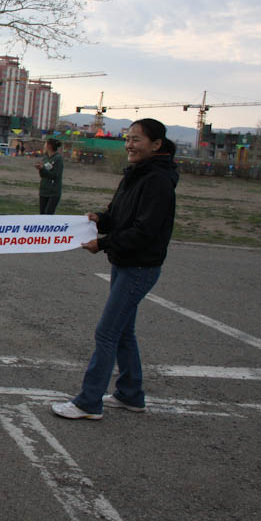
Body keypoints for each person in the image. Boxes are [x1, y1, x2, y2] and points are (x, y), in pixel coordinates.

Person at [52, 118, 178, 420]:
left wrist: (103, 243)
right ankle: (130, 394)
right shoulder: (136, 174)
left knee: (107, 332)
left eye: (136, 140)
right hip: (124, 262)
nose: (129, 145)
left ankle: (88, 403)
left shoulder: (158, 181)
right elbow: (120, 215)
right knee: (122, 332)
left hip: (139, 266)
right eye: (128, 139)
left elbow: (144, 231)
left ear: (156, 145)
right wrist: (100, 219)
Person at [35, 137, 63, 214]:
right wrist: (40, 169)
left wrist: (42, 169)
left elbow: (55, 175)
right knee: (42, 214)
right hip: (44, 190)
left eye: (45, 144)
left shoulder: (58, 158)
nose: (44, 146)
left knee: (48, 214)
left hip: (53, 192)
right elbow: (43, 175)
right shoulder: (45, 158)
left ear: (49, 146)